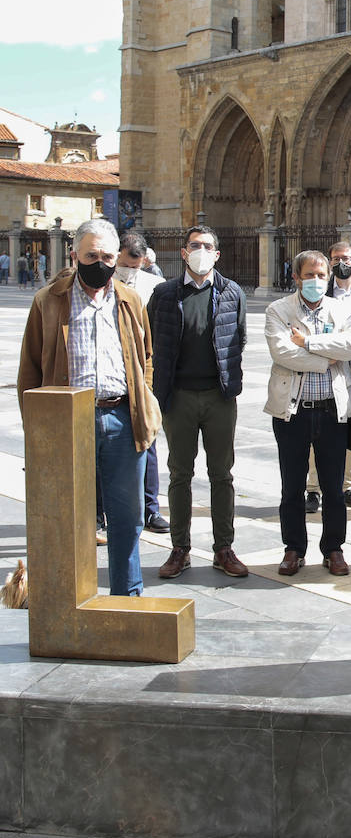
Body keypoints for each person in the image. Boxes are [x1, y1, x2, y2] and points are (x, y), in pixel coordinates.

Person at [18, 218, 160, 595]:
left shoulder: (129, 300)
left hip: (121, 417)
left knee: (127, 516)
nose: (100, 262)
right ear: (75, 255)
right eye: (91, 255)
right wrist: (37, 430)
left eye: (107, 256)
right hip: (68, 419)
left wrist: (142, 396)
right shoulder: (49, 300)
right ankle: (69, 598)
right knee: (69, 514)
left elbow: (145, 356)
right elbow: (30, 369)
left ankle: (127, 595)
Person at [147, 225, 249, 581]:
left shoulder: (232, 292)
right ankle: (179, 549)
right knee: (179, 474)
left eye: (207, 246)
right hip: (178, 398)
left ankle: (224, 548)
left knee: (222, 474)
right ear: (184, 252)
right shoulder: (163, 294)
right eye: (195, 245)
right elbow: (151, 342)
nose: (201, 250)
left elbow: (239, 338)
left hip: (219, 397)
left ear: (217, 254)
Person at [264, 249, 351, 578]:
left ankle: (333, 549)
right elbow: (283, 353)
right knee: (292, 486)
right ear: (296, 277)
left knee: (334, 488)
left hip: (332, 411)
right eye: (309, 275)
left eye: (322, 275)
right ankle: (294, 549)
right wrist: (325, 354)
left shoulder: (341, 309)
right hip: (292, 412)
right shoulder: (278, 310)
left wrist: (307, 343)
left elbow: (350, 348)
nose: (316, 281)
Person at [305, 241, 351, 512]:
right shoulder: (320, 290)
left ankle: (348, 486)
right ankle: (314, 489)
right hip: (327, 367)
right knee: (317, 429)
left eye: (345, 258)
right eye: (335, 259)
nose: (341, 263)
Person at [111, 231, 170, 534]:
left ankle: (150, 509)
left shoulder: (155, 286)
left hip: (144, 372)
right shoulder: (103, 283)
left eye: (134, 266)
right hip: (110, 374)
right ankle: (99, 514)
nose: (128, 271)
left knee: (147, 440)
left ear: (145, 261)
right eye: (123, 264)